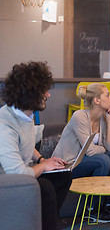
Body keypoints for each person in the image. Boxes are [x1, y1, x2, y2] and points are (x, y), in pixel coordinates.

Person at [0, 61, 72, 230]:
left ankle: (46, 221)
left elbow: (24, 144)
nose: (48, 95)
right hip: (6, 180)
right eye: (44, 91)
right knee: (45, 187)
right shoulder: (5, 125)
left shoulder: (26, 114)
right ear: (30, 94)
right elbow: (18, 173)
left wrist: (42, 159)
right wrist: (44, 166)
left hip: (18, 174)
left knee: (63, 175)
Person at [52, 82, 110, 223]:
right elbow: (90, 151)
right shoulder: (79, 117)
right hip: (68, 165)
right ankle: (90, 209)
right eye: (108, 95)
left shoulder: (103, 119)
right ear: (97, 100)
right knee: (103, 160)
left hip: (86, 161)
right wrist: (104, 148)